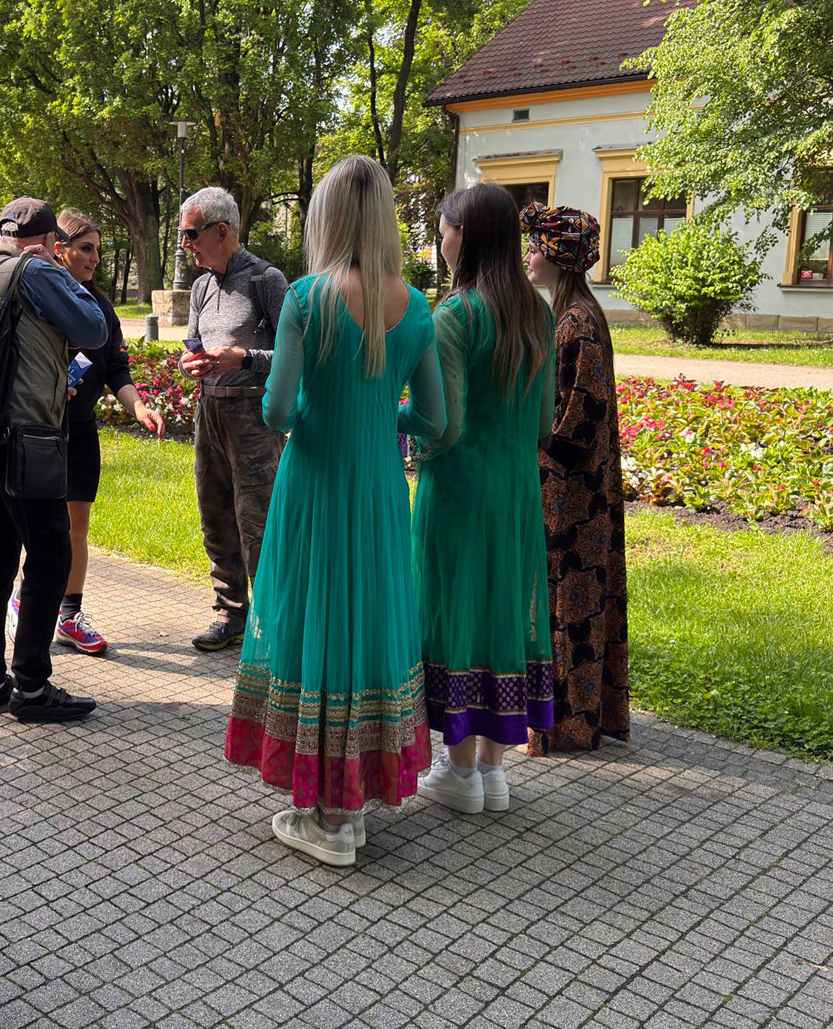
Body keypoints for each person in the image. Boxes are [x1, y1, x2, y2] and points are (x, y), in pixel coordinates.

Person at [224, 155, 445, 867]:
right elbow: (436, 419)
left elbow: (280, 407)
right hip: (380, 489)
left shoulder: (307, 298)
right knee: (367, 623)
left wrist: (300, 412)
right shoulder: (416, 307)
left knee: (313, 619)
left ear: (328, 217)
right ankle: (352, 804)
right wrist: (385, 416)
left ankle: (324, 815)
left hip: (314, 486)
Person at [411, 181, 555, 816]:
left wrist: (395, 420)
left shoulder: (456, 316)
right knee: (503, 608)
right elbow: (546, 420)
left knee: (454, 609)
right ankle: (495, 774)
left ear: (464, 236)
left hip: (459, 490)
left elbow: (445, 424)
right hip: (518, 488)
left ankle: (460, 770)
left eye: (443, 231)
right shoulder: (539, 313)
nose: (439, 243)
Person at [0, 197, 109, 721]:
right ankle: (31, 686)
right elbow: (95, 329)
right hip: (29, 441)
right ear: (49, 243)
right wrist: (56, 274)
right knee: (51, 560)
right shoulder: (36, 272)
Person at [6, 210, 165, 654]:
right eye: (86, 248)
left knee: (77, 524)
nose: (95, 258)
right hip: (40, 432)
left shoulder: (101, 307)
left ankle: (69, 614)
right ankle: (26, 595)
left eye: (98, 249)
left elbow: (116, 368)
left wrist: (139, 406)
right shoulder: (40, 297)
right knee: (43, 527)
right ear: (60, 248)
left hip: (81, 433)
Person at [523, 205, 631, 754]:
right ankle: (581, 717)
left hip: (572, 495)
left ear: (559, 258)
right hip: (581, 490)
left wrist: (525, 439)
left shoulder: (577, 323)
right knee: (579, 603)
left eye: (538, 247)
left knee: (569, 605)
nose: (529, 255)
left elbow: (577, 423)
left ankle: (566, 724)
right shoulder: (576, 314)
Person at [178, 187, 290, 652]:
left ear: (221, 230)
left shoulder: (267, 280)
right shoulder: (202, 286)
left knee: (258, 522)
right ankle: (230, 615)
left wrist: (242, 359)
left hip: (254, 417)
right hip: (210, 413)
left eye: (191, 234)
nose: (186, 244)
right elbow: (192, 345)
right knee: (215, 515)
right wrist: (192, 363)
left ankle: (271, 624)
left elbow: (292, 354)